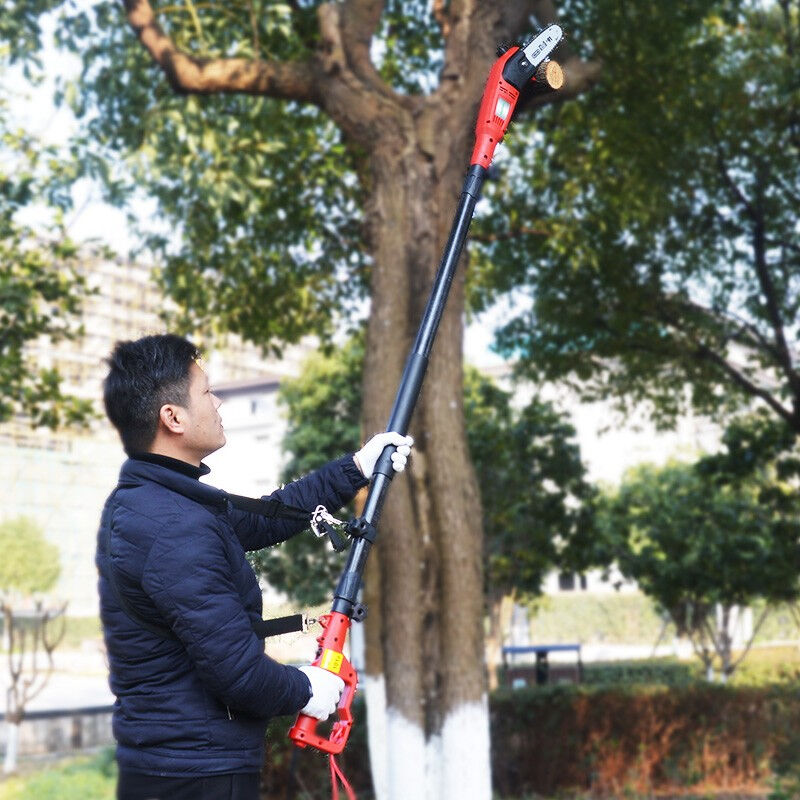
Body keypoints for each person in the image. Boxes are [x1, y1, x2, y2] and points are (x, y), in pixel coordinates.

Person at [96, 334, 412, 800]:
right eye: (206, 391)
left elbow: (269, 516)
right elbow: (238, 674)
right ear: (173, 417)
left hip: (180, 765)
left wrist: (357, 468)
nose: (218, 402)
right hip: (194, 775)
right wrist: (308, 689)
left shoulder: (163, 504)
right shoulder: (173, 527)